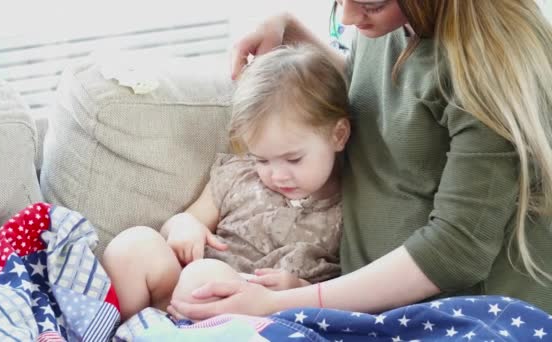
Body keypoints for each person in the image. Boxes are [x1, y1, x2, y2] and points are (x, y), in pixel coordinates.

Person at [167, 0, 552, 319]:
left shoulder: (491, 64)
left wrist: (279, 304)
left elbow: (456, 251)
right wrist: (290, 28)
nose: (349, 17)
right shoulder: (393, 24)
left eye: (370, 3)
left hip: (463, 315)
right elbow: (377, 101)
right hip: (365, 307)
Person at [102, 44, 352, 321]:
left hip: (257, 318)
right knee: (135, 244)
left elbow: (347, 286)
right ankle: (123, 330)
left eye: (293, 159)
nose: (277, 175)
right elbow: (187, 220)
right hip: (180, 298)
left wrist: (298, 289)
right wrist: (185, 226)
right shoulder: (237, 176)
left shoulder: (350, 204)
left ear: (338, 135)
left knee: (205, 276)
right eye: (262, 159)